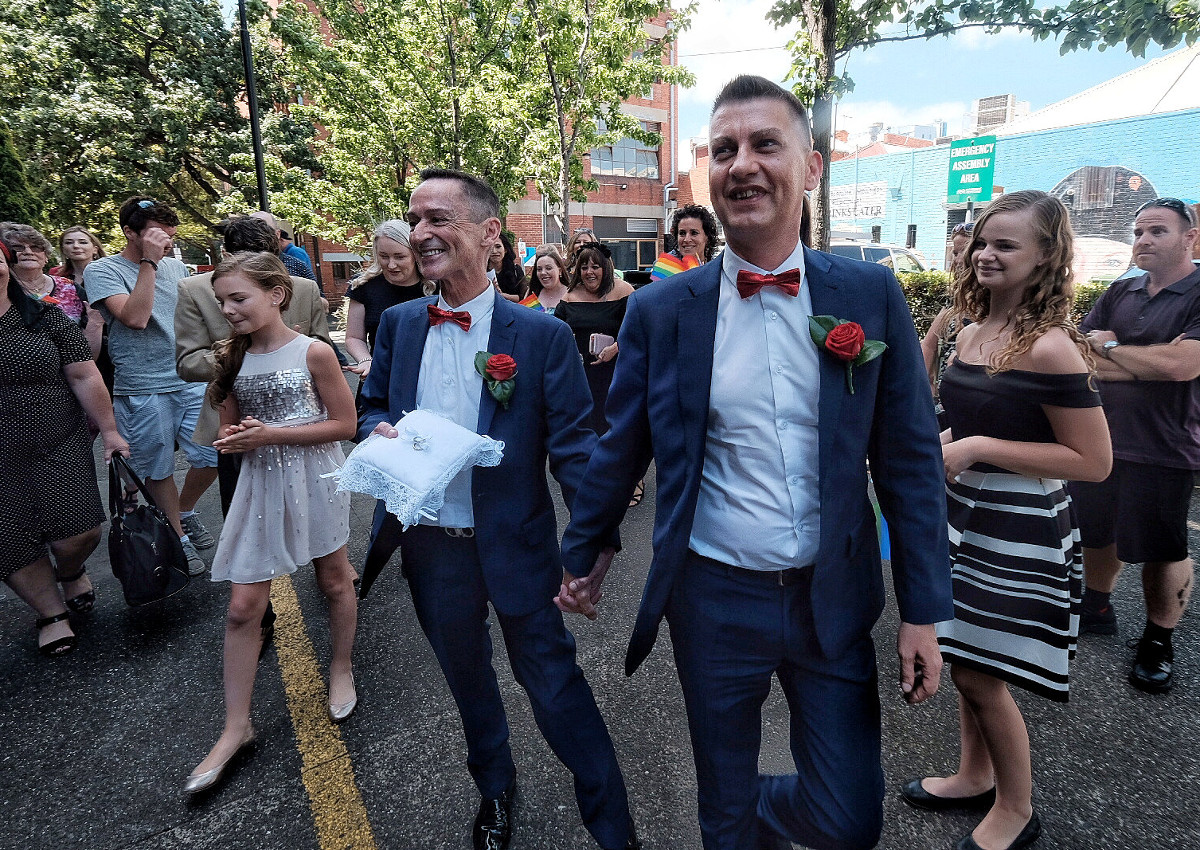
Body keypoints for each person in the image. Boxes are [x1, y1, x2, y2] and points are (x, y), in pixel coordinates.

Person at [557, 75, 951, 850]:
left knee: (849, 820)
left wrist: (922, 610)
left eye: (766, 144)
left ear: (812, 167)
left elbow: (908, 461)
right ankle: (733, 816)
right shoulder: (661, 309)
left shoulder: (870, 294)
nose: (742, 163)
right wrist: (587, 550)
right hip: (713, 600)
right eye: (725, 149)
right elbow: (624, 441)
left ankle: (758, 812)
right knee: (724, 807)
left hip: (831, 597)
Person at [357, 168, 640, 850]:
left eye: (438, 219)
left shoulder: (539, 336)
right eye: (414, 220)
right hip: (431, 547)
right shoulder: (398, 325)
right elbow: (372, 407)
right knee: (468, 682)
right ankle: (494, 788)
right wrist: (376, 431)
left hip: (516, 544)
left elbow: (575, 449)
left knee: (555, 687)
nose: (421, 233)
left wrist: (595, 543)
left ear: (490, 234)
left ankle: (613, 828)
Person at [901, 190, 1112, 850]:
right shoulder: (970, 330)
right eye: (983, 241)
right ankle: (975, 776)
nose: (986, 254)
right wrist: (938, 446)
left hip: (1020, 525)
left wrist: (976, 448)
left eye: (1006, 245)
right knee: (968, 655)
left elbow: (1092, 460)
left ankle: (1017, 809)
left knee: (978, 673)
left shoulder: (1051, 347)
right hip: (967, 514)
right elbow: (971, 420)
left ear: (1046, 255)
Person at [184, 252, 358, 795]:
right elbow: (229, 428)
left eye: (238, 298)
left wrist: (272, 435)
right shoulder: (229, 359)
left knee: (334, 580)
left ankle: (341, 666)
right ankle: (236, 726)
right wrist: (232, 438)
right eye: (222, 301)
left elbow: (345, 424)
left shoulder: (314, 351)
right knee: (243, 607)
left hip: (316, 478)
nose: (228, 310)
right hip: (260, 483)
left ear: (276, 294)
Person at [1069, 197, 1200, 694]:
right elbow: (1079, 356)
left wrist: (1112, 347)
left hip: (1166, 444)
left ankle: (1158, 641)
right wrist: (1143, 363)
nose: (1143, 240)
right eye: (1139, 231)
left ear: (1190, 238)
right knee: (1097, 532)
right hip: (1101, 438)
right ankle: (1097, 607)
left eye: (1158, 231)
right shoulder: (1121, 289)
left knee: (1164, 548)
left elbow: (1182, 367)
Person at [0, 241, 128, 654]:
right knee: (10, 537)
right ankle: (51, 613)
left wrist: (110, 431)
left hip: (57, 439)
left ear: (7, 266)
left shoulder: (43, 315)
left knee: (79, 530)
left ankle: (70, 571)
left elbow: (84, 375)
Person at [83, 196, 217, 575]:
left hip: (189, 377)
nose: (167, 242)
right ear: (130, 232)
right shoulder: (102, 270)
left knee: (213, 455)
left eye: (170, 235)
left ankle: (184, 511)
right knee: (158, 469)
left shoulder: (177, 266)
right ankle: (178, 538)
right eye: (158, 235)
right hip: (143, 386)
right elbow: (136, 318)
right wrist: (149, 262)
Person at [175, 215, 334, 515]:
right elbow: (188, 364)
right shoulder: (194, 289)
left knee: (310, 518)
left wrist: (294, 347)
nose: (228, 309)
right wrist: (241, 353)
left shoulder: (302, 288)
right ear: (227, 255)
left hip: (303, 428)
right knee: (245, 518)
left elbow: (322, 346)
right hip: (236, 427)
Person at [555, 242, 641, 505]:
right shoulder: (569, 297)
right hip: (583, 376)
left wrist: (616, 347)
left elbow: (638, 329)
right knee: (591, 429)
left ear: (605, 268)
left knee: (620, 427)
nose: (589, 272)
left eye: (595, 266)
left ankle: (632, 479)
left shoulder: (623, 291)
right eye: (584, 267)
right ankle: (600, 481)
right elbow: (555, 335)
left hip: (618, 373)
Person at [343, 220, 426, 381]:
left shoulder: (437, 286)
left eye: (399, 257)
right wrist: (366, 361)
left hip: (425, 377)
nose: (391, 265)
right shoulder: (363, 286)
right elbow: (354, 337)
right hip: (379, 376)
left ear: (415, 254)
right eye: (384, 256)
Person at [921, 221, 975, 426]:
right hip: (944, 406)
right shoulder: (955, 302)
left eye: (965, 251)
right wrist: (924, 391)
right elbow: (928, 346)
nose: (958, 259)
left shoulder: (1000, 302)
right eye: (955, 252)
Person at [1, 223, 88, 327]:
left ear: (46, 257)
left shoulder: (70, 288)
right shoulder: (3, 290)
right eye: (17, 247)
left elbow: (93, 324)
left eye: (36, 247)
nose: (28, 252)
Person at [51, 225, 107, 356]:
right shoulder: (55, 276)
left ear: (95, 249)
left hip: (105, 336)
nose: (76, 246)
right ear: (63, 250)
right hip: (66, 338)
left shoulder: (108, 273)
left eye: (82, 242)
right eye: (69, 242)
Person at [525, 244, 569, 314]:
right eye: (539, 269)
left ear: (560, 271)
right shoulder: (533, 292)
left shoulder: (571, 294)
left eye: (548, 268)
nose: (543, 272)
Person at [488, 231, 527, 302]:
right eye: (490, 247)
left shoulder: (516, 270)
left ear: (505, 249)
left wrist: (501, 295)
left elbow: (523, 297)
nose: (494, 251)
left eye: (498, 247)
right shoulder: (480, 272)